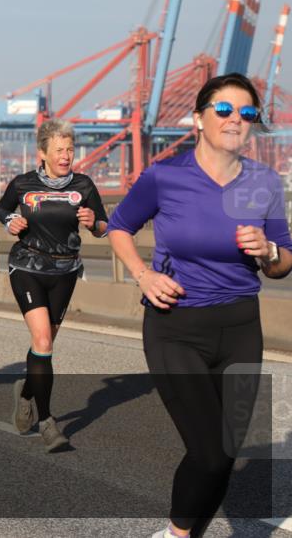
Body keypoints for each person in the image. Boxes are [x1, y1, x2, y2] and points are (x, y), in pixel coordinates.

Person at [106, 74, 292, 538]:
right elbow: (119, 226)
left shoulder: (263, 181)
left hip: (240, 327)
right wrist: (144, 276)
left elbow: (284, 261)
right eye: (224, 110)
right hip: (176, 327)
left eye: (247, 114)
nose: (236, 120)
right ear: (198, 119)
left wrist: (268, 251)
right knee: (209, 452)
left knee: (224, 454)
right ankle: (174, 533)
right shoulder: (165, 176)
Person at [0, 118, 108, 452]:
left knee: (42, 348)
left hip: (65, 271)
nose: (66, 156)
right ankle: (47, 422)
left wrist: (94, 223)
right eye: (59, 150)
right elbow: (2, 209)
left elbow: (103, 225)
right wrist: (10, 221)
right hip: (27, 265)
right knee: (43, 339)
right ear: (42, 152)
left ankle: (27, 392)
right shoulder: (23, 184)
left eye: (70, 150)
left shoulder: (84, 185)